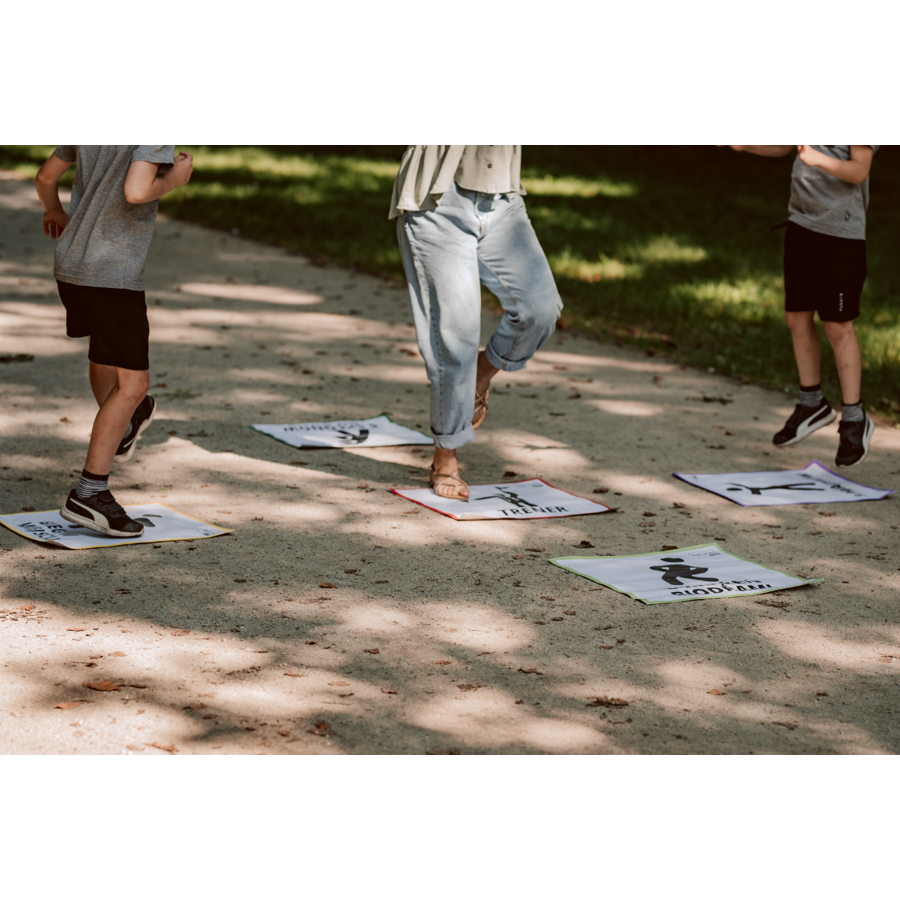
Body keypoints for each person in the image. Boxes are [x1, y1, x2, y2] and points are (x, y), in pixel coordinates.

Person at [35, 145, 193, 536]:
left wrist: (54, 210)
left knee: (104, 355)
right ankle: (89, 492)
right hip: (112, 274)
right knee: (134, 386)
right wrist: (175, 178)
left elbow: (45, 178)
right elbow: (137, 191)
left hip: (72, 264)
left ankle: (122, 429)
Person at [390, 146, 562, 499]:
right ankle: (445, 456)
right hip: (438, 201)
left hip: (503, 199)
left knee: (540, 309)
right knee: (456, 339)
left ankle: (482, 371)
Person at [728, 145, 878, 467]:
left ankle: (854, 419)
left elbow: (859, 170)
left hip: (840, 236)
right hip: (801, 227)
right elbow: (785, 146)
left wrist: (817, 159)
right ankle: (812, 404)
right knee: (796, 318)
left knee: (837, 325)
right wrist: (743, 144)